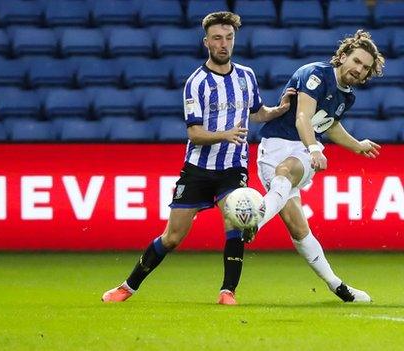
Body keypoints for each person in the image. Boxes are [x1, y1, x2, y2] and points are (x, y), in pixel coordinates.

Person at [101, 12, 295, 305]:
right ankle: (128, 286)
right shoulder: (197, 82)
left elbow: (256, 113)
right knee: (173, 237)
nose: (224, 44)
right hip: (198, 169)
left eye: (229, 38)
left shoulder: (246, 76)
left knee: (237, 223)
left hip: (233, 168)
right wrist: (224, 134)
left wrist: (277, 111)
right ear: (206, 42)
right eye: (217, 38)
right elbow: (194, 133)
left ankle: (227, 292)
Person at [254, 30, 384, 302]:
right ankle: (337, 285)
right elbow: (304, 117)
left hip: (300, 151)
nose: (359, 69)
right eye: (357, 61)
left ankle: (255, 220)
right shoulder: (315, 73)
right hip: (274, 146)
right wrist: (315, 148)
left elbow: (329, 125)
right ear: (344, 55)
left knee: (286, 171)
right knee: (299, 229)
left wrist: (356, 144)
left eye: (365, 68)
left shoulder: (347, 97)